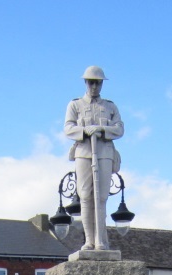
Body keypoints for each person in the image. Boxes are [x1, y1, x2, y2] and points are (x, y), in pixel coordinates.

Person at [64, 65, 124, 251]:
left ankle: (101, 240)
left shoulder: (110, 106)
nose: (94, 86)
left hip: (105, 153)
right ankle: (89, 240)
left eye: (97, 83)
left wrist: (102, 130)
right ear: (85, 82)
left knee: (102, 197)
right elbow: (68, 128)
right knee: (85, 197)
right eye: (91, 82)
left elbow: (120, 129)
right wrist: (84, 131)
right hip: (83, 153)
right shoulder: (75, 105)